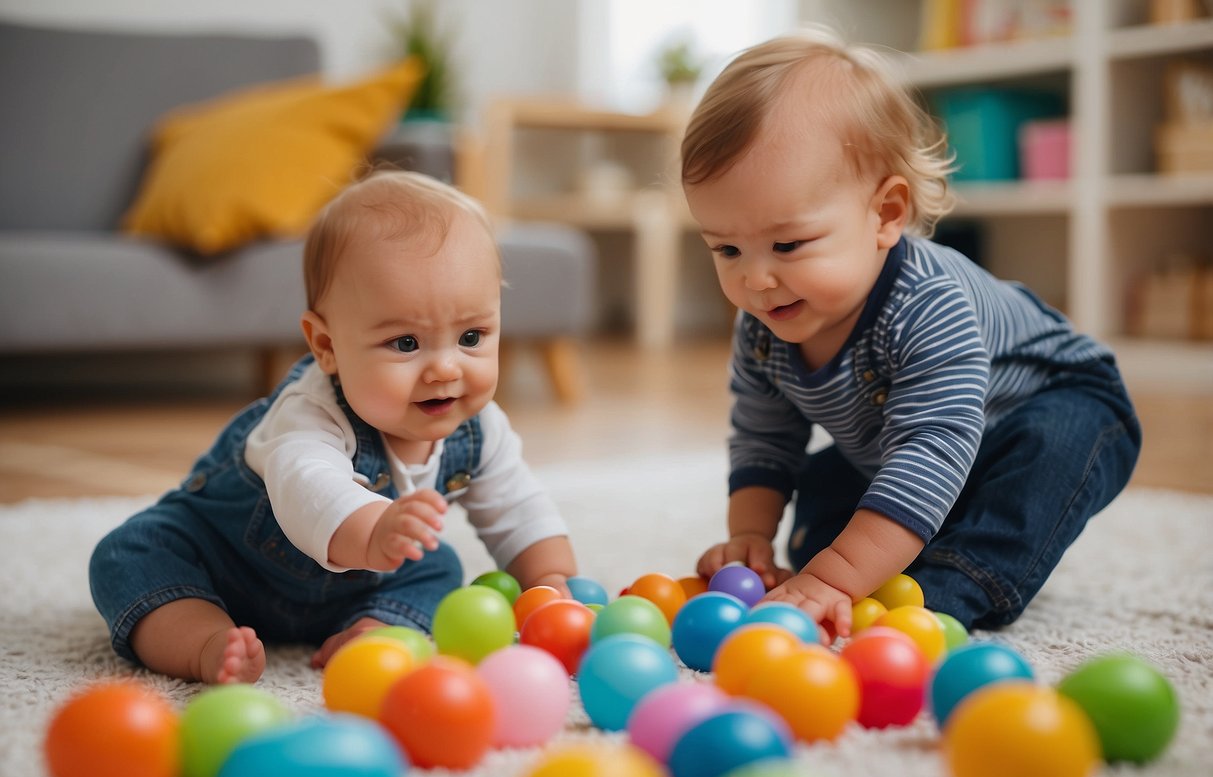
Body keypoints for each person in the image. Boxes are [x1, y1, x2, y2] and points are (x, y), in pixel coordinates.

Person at [681, 27, 1140, 639]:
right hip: (908, 446)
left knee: (1046, 453)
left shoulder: (927, 305)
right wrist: (750, 537)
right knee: (824, 489)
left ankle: (950, 586)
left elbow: (934, 445)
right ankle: (891, 556)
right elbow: (764, 436)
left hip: (1054, 408)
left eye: (787, 244)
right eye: (727, 248)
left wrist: (837, 578)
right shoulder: (764, 327)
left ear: (886, 214)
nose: (757, 279)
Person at [90, 170, 578, 683]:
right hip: (225, 568)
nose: (446, 369)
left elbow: (517, 506)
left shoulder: (480, 428)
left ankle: (373, 628)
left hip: (357, 584)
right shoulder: (311, 413)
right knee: (129, 553)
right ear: (326, 347)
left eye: (472, 336)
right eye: (406, 343)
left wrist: (550, 580)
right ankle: (205, 641)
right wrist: (376, 530)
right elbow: (309, 489)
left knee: (439, 569)